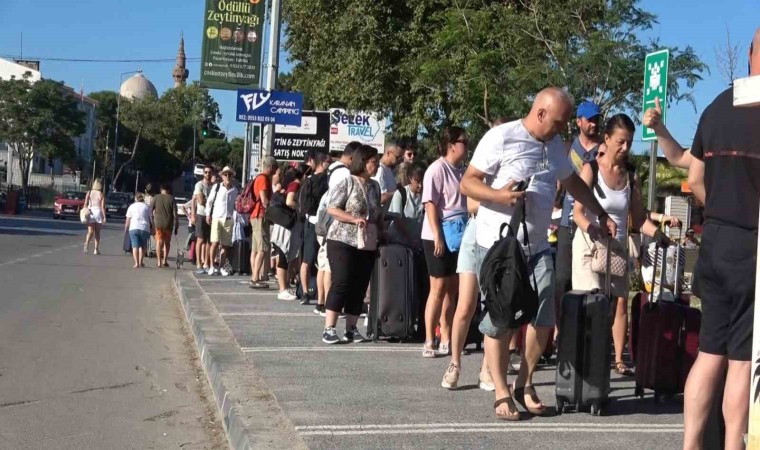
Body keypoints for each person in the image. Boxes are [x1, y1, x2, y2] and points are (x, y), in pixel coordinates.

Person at [460, 87, 617, 421]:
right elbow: (468, 183)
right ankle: (501, 391)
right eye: (558, 123)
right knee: (501, 319)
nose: (562, 130)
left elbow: (572, 182)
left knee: (545, 316)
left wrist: (599, 213)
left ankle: (525, 383)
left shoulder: (555, 145)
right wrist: (499, 196)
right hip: (500, 245)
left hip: (538, 245)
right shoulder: (501, 137)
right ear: (540, 113)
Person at [640, 29, 760, 450]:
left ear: (749, 54)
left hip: (715, 243)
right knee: (742, 363)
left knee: (709, 355)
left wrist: (660, 129)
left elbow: (689, 171)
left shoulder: (715, 108)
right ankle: (733, 444)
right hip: (751, 248)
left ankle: (690, 444)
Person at [571, 114, 672, 376]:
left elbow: (638, 219)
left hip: (616, 248)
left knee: (618, 302)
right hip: (589, 246)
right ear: (606, 139)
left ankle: (615, 359)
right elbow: (578, 213)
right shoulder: (591, 169)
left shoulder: (630, 175)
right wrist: (595, 228)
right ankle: (587, 359)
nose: (625, 148)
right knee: (592, 303)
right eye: (620, 142)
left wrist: (658, 234)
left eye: (629, 143)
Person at [321, 144, 382, 344]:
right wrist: (353, 219)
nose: (377, 165)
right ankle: (329, 328)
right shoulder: (347, 182)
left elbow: (377, 212)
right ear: (363, 162)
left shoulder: (374, 186)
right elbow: (332, 208)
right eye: (374, 161)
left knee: (360, 283)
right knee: (342, 281)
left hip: (365, 242)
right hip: (342, 239)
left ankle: (351, 328)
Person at [554, 101, 603, 331]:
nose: (594, 124)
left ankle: (584, 332)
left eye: (596, 119)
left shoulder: (603, 150)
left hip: (592, 223)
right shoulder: (566, 148)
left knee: (588, 282)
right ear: (578, 122)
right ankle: (558, 331)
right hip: (566, 222)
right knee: (561, 280)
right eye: (589, 119)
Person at [421, 126, 469, 358]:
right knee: (438, 288)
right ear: (451, 145)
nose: (466, 147)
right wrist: (437, 235)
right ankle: (429, 338)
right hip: (437, 235)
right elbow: (430, 203)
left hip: (459, 234)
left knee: (453, 288)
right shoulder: (436, 169)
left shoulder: (462, 171)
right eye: (463, 142)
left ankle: (446, 337)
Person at [441, 197, 494, 390]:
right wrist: (501, 198)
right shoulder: (480, 169)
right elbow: (471, 205)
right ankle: (455, 364)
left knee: (492, 308)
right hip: (475, 235)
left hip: (499, 238)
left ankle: (487, 368)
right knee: (465, 306)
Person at [313, 143, 356, 316]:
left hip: (321, 221)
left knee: (323, 265)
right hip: (332, 224)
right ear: (352, 157)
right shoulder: (344, 173)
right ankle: (330, 306)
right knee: (330, 268)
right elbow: (338, 202)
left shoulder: (332, 169)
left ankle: (321, 303)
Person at [299, 152, 330, 305]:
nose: (329, 164)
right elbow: (304, 205)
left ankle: (320, 297)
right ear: (321, 162)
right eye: (328, 161)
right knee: (308, 259)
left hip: (324, 223)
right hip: (312, 223)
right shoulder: (309, 181)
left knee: (323, 262)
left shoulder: (330, 179)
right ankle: (305, 292)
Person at [250, 157, 278, 289]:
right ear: (270, 166)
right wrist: (273, 212)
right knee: (263, 248)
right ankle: (256, 277)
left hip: (256, 216)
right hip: (260, 215)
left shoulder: (260, 178)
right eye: (275, 167)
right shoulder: (263, 179)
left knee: (256, 248)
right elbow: (264, 199)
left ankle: (255, 276)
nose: (276, 171)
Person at [206, 166, 239, 276]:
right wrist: (207, 215)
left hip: (228, 219)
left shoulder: (235, 190)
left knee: (225, 245)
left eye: (230, 174)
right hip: (217, 217)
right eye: (226, 174)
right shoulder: (216, 187)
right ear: (222, 176)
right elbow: (209, 202)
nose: (228, 176)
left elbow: (236, 205)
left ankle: (221, 267)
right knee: (214, 243)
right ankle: (211, 266)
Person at [387, 164, 424, 249]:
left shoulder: (425, 195)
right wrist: (409, 238)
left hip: (417, 244)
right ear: (410, 178)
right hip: (398, 243)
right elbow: (397, 219)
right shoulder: (401, 194)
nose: (420, 185)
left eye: (423, 181)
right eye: (417, 182)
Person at [192, 165, 215, 275]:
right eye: (206, 172)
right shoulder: (199, 185)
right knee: (200, 239)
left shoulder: (214, 186)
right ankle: (198, 263)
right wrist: (192, 214)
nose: (207, 174)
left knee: (209, 241)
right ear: (203, 173)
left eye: (209, 172)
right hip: (201, 214)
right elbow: (200, 200)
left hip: (211, 215)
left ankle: (206, 263)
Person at [152, 184, 178, 268]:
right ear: (168, 190)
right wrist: (176, 225)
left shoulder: (156, 198)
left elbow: (150, 210)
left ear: (161, 189)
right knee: (167, 243)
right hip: (168, 224)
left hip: (158, 224)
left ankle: (159, 262)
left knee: (159, 242)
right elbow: (175, 214)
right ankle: (165, 261)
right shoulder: (171, 198)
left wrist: (151, 221)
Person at [372, 140, 404, 208]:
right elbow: (381, 198)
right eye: (397, 157)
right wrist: (399, 191)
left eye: (401, 157)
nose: (400, 160)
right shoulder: (379, 170)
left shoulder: (389, 169)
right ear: (388, 153)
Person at [124, 193, 152, 269]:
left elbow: (128, 219)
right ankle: (141, 262)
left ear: (136, 199)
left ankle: (136, 263)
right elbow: (151, 218)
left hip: (133, 227)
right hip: (144, 228)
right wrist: (152, 227)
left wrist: (126, 229)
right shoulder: (147, 207)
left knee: (135, 246)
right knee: (143, 246)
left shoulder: (131, 206)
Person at [83, 179, 106, 255]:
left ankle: (86, 243)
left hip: (91, 212)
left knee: (90, 231)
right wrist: (104, 217)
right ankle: (96, 249)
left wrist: (86, 210)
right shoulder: (101, 194)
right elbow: (102, 207)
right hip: (98, 212)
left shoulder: (89, 193)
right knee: (97, 232)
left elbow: (85, 204)